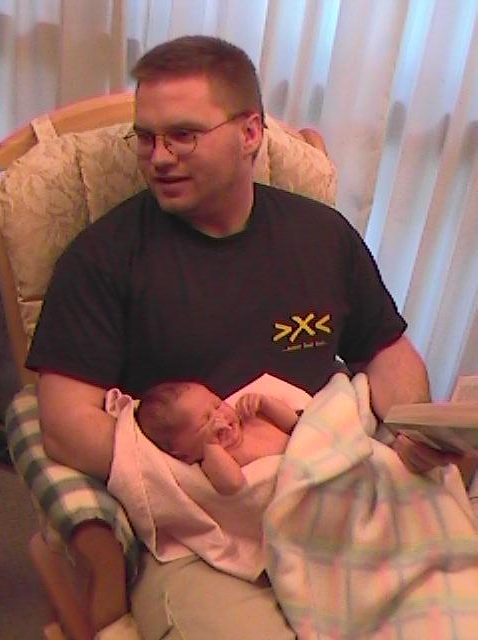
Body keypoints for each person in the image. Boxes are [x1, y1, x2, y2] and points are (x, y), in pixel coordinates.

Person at [26, 34, 472, 639]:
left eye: (183, 135)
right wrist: (203, 481)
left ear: (250, 133)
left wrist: (410, 434)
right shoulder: (103, 259)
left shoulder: (322, 236)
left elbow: (386, 351)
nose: (159, 157)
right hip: (208, 539)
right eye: (146, 138)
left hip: (340, 502)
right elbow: (64, 423)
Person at [136, 381, 299, 494]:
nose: (220, 417)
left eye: (217, 404)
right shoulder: (215, 461)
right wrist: (211, 445)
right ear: (184, 455)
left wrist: (266, 403)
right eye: (205, 421)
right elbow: (233, 485)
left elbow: (295, 424)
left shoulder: (251, 418)